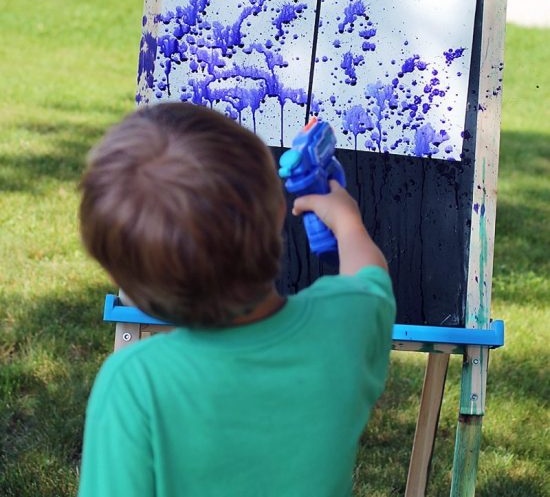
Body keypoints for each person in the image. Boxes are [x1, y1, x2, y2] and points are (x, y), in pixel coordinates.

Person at [77, 102, 395, 497]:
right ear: (280, 211)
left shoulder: (135, 383)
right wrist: (347, 223)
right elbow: (370, 277)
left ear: (125, 279)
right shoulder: (347, 324)